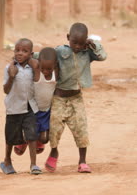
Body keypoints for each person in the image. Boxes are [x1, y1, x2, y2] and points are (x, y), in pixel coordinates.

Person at [45, 22, 107, 173]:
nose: (78, 46)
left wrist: (93, 44)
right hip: (59, 98)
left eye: (81, 43)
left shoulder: (87, 54)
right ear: (68, 38)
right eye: (74, 42)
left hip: (76, 98)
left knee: (81, 129)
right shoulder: (60, 51)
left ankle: (82, 161)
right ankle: (54, 152)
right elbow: (45, 57)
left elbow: (103, 56)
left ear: (86, 41)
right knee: (55, 128)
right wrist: (28, 58)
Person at [0, 38, 42, 175]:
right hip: (14, 107)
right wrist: (12, 77)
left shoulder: (32, 67)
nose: (20, 53)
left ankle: (34, 164)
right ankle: (7, 161)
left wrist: (36, 69)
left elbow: (37, 82)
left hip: (30, 106)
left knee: (32, 135)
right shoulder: (9, 68)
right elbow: (6, 90)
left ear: (31, 53)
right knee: (11, 136)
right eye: (17, 50)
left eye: (24, 51)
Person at [13, 47, 58, 156]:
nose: (46, 71)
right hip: (33, 110)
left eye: (49, 69)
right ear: (39, 64)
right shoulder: (38, 71)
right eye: (43, 68)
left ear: (55, 66)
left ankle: (36, 141)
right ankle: (24, 142)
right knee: (29, 131)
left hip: (45, 112)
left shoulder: (56, 73)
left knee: (44, 139)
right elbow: (28, 58)